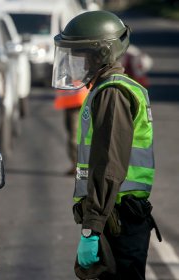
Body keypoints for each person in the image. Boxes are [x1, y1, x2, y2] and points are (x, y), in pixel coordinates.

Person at [52, 10, 160, 279]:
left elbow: (109, 166)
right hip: (115, 217)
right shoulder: (106, 89)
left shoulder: (112, 94)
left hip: (117, 220)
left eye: (81, 55)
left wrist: (92, 228)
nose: (75, 63)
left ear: (100, 54)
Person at [53, 85, 89, 175]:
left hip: (80, 101)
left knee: (75, 137)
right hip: (72, 101)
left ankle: (81, 167)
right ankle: (77, 165)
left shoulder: (77, 71)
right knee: (73, 134)